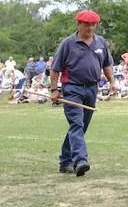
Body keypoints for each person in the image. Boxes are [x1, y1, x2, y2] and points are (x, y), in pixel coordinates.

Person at [49, 9, 116, 177]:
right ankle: (80, 160)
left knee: (80, 126)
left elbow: (107, 64)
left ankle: (65, 161)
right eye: (87, 25)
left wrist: (112, 81)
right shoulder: (68, 44)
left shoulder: (100, 42)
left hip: (92, 88)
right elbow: (55, 69)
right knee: (76, 124)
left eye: (93, 25)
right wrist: (54, 90)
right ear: (78, 24)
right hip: (72, 88)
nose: (90, 28)